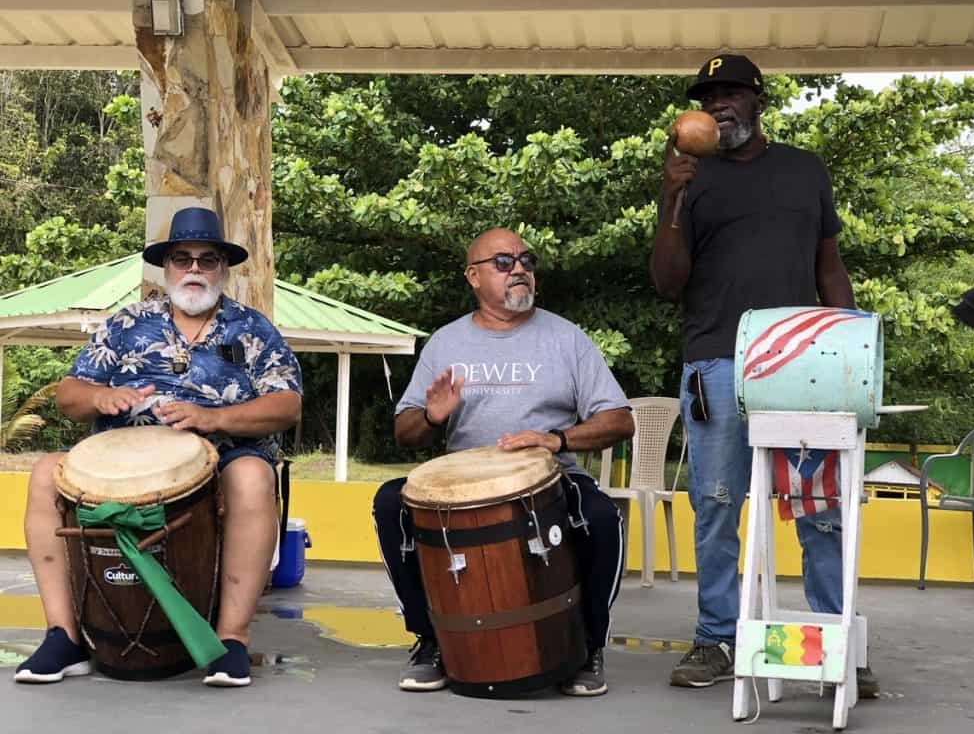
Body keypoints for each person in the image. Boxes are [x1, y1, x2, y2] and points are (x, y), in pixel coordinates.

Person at [650, 54, 879, 697]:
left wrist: (850, 347)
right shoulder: (689, 178)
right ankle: (716, 637)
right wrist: (671, 199)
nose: (719, 105)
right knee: (717, 505)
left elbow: (829, 265)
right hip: (717, 359)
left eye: (732, 94)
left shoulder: (805, 170)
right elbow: (668, 283)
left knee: (819, 508)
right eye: (708, 96)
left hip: (805, 364)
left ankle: (834, 641)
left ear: (758, 101)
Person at [14, 207, 302, 688]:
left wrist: (214, 418)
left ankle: (230, 640)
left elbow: (287, 404)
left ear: (222, 268)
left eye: (206, 260)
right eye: (182, 259)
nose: (193, 269)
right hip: (121, 460)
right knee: (46, 471)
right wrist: (100, 396)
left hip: (221, 458)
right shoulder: (125, 325)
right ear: (166, 267)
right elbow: (69, 394)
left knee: (254, 477)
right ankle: (63, 636)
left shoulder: (251, 329)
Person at [373, 227, 634, 697]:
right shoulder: (446, 343)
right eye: (503, 262)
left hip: (550, 480)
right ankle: (430, 640)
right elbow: (404, 431)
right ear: (473, 277)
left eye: (526, 260)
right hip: (459, 489)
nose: (518, 269)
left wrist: (557, 439)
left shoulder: (566, 339)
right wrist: (432, 417)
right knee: (390, 503)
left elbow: (619, 420)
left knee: (601, 518)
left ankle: (588, 648)